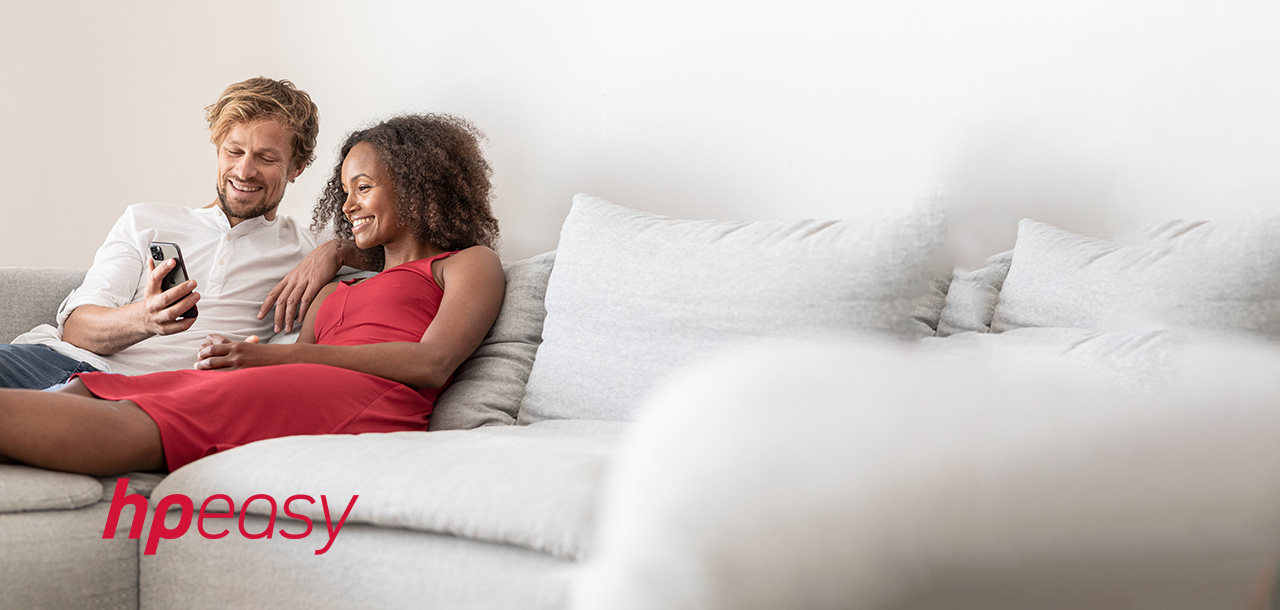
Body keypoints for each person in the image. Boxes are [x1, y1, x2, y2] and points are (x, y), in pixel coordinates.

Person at [0, 113, 505, 475]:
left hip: (368, 400)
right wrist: (335, 255)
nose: (347, 205)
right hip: (302, 382)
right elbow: (299, 354)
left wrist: (261, 356)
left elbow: (433, 362)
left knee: (141, 417)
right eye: (345, 191)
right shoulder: (328, 286)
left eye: (363, 188)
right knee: (88, 390)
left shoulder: (467, 263)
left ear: (415, 188)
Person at [0, 77, 367, 390]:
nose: (244, 171)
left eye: (266, 159)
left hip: (134, 398)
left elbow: (407, 254)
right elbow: (77, 331)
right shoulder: (144, 220)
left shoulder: (305, 246)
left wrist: (337, 251)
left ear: (297, 168)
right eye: (233, 151)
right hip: (52, 363)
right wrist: (146, 318)